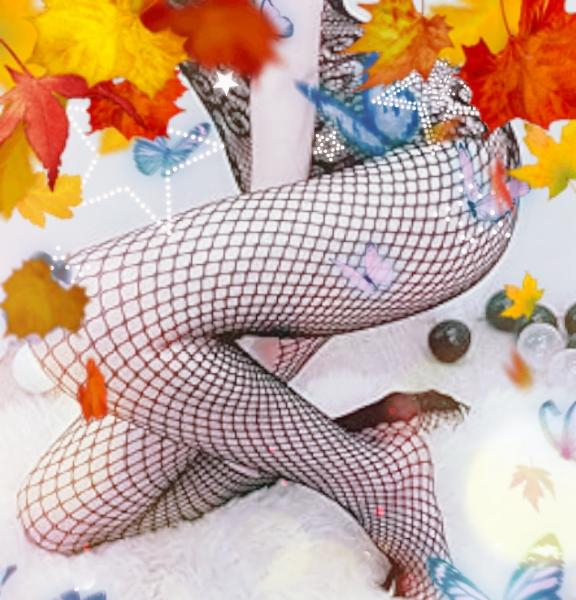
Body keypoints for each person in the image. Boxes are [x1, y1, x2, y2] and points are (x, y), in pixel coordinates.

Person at [17, 1, 519, 597]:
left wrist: (260, 296)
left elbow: (287, 82)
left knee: (78, 313)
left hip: (440, 184)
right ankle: (344, 449)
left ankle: (375, 483)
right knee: (54, 517)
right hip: (321, 219)